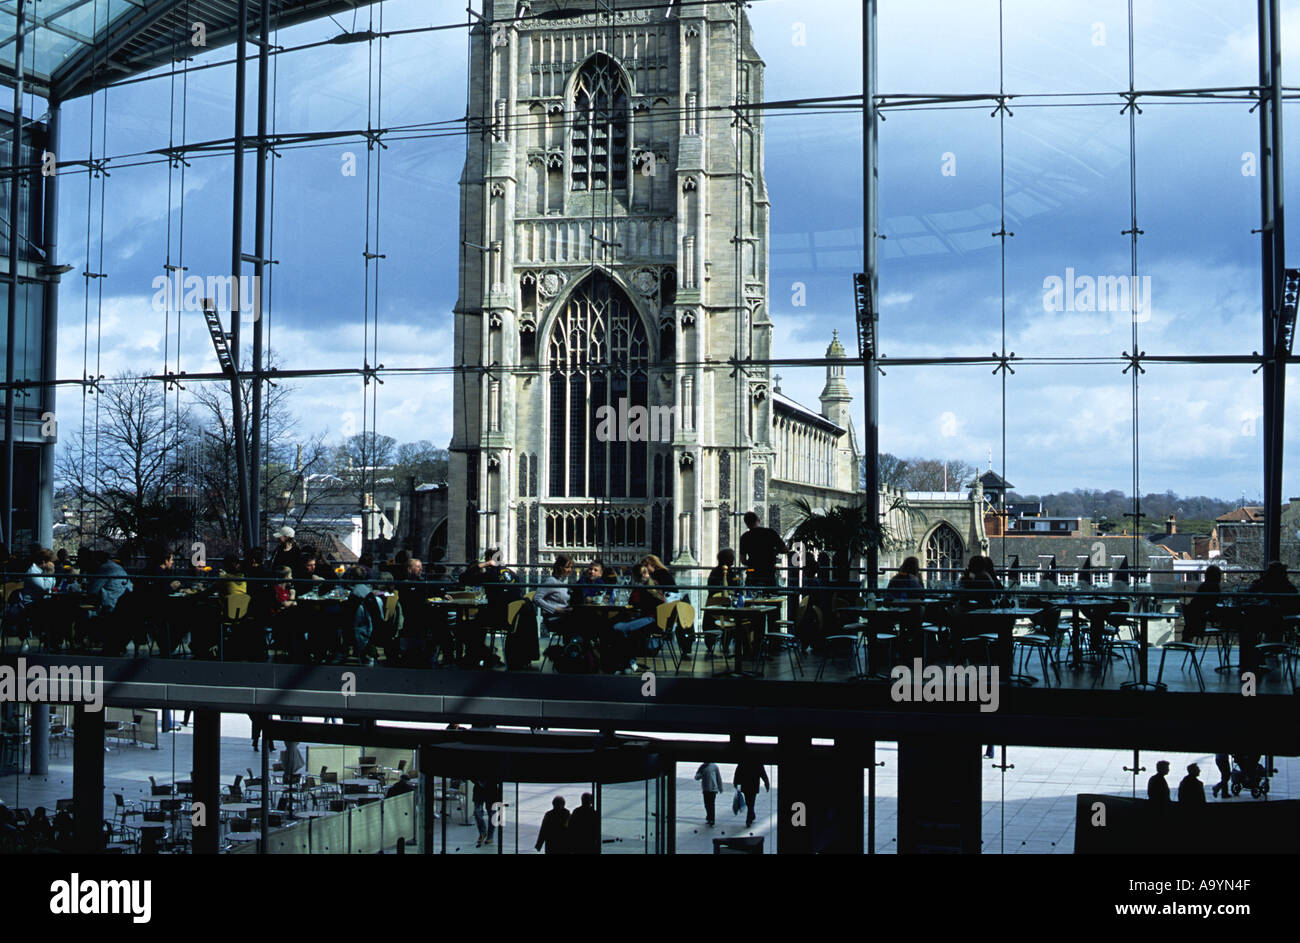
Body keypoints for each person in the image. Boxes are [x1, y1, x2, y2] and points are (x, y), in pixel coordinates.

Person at [606, 564, 666, 674]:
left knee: (619, 628)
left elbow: (632, 601)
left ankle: (625, 663)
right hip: (655, 621)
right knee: (622, 629)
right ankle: (629, 663)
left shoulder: (644, 587)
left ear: (636, 576)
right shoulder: (654, 584)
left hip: (650, 621)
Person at [739, 510, 787, 591]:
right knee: (771, 595)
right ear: (758, 520)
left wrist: (752, 564)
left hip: (752, 572)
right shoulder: (770, 533)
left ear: (746, 524)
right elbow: (785, 549)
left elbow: (743, 560)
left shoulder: (745, 537)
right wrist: (774, 552)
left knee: (751, 596)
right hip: (768, 571)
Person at [733, 757, 770, 829]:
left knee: (749, 802)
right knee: (751, 802)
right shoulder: (758, 762)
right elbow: (763, 774)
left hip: (746, 785)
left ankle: (749, 819)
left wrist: (736, 783)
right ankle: (751, 816)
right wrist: (766, 783)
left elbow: (737, 773)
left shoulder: (743, 761)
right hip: (753, 785)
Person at [473, 780, 501, 847]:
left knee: (491, 814)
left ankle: (490, 836)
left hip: (491, 789)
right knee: (477, 812)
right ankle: (483, 833)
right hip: (479, 789)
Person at [695, 760, 723, 826]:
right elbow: (696, 777)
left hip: (713, 789)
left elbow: (718, 777)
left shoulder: (714, 766)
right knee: (707, 804)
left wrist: (720, 787)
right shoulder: (702, 767)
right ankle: (709, 817)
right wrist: (700, 774)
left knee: (711, 804)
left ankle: (712, 819)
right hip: (706, 789)